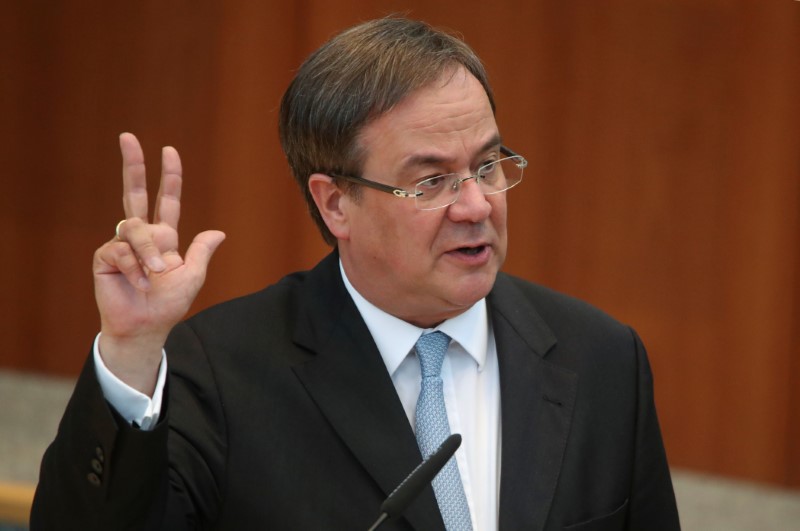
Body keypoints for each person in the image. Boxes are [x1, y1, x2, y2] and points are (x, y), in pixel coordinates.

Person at [31, 17, 680, 531]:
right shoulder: (221, 374)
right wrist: (131, 352)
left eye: (487, 166)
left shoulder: (601, 360)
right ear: (335, 201)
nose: (478, 204)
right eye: (432, 181)